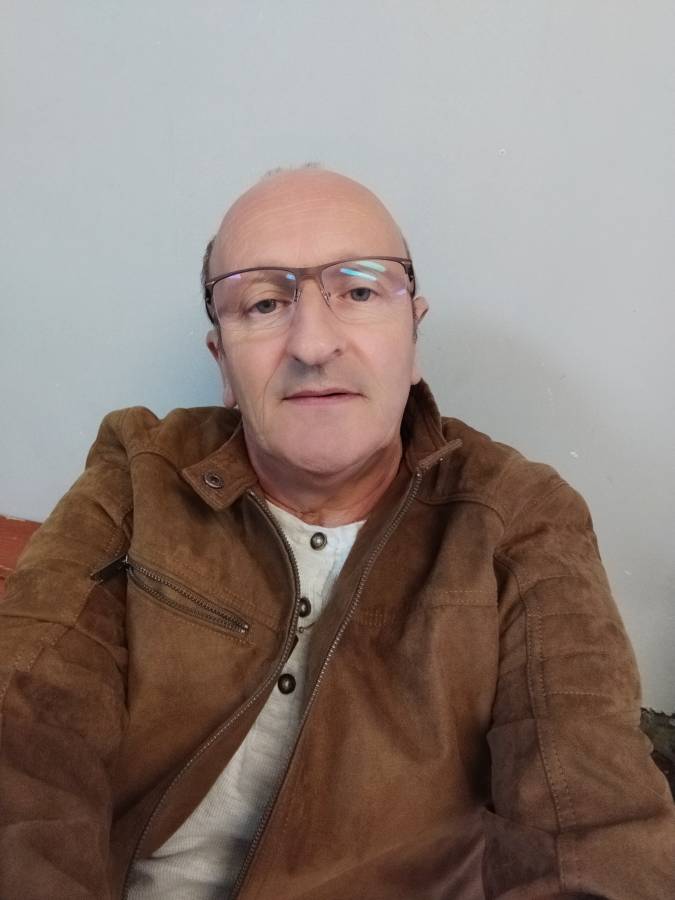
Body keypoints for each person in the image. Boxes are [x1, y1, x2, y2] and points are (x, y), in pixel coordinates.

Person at [1, 166, 673, 900]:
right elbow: (25, 735)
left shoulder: (519, 515)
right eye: (263, 303)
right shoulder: (139, 470)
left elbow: (590, 824)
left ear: (412, 338)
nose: (313, 343)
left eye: (358, 291)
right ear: (222, 363)